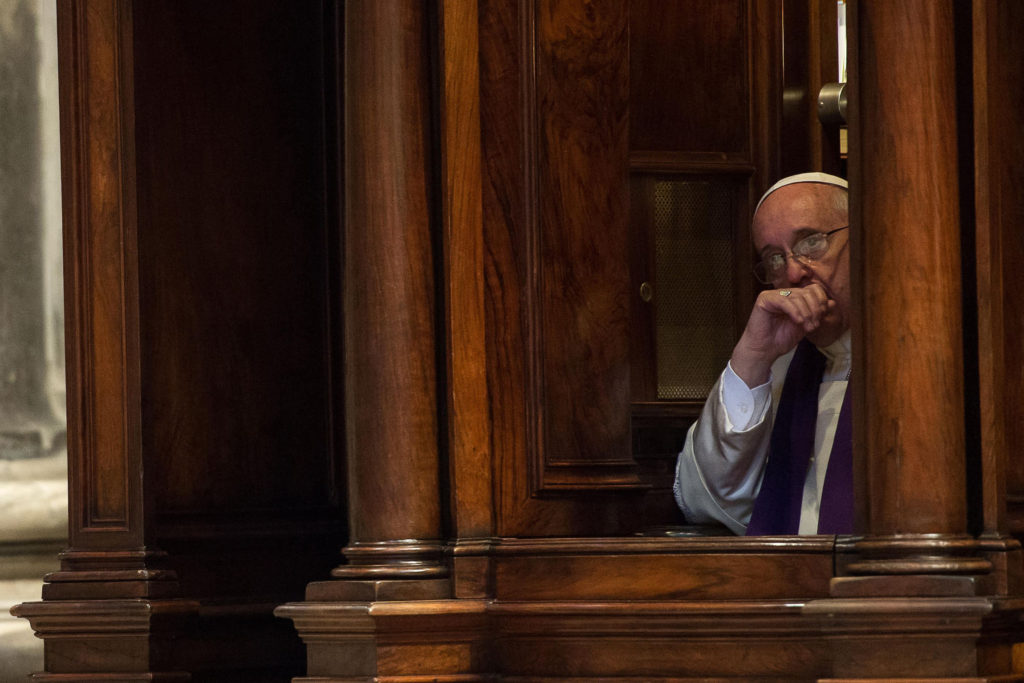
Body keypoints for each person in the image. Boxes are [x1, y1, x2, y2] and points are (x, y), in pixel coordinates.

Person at [673, 172, 852, 535]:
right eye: (773, 259)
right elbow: (704, 501)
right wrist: (752, 357)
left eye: (811, 241)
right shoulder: (779, 367)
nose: (792, 271)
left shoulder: (914, 360)